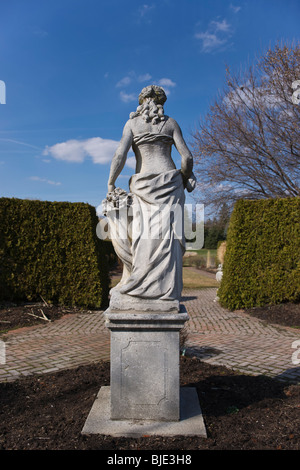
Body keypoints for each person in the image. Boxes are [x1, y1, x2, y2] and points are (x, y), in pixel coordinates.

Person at [104, 85, 196, 311]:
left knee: (144, 235)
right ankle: (165, 292)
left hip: (143, 184)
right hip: (170, 184)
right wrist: (185, 177)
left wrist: (110, 182)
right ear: (161, 103)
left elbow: (120, 155)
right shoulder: (171, 123)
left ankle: (140, 285)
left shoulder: (132, 124)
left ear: (141, 102)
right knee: (167, 239)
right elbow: (187, 158)